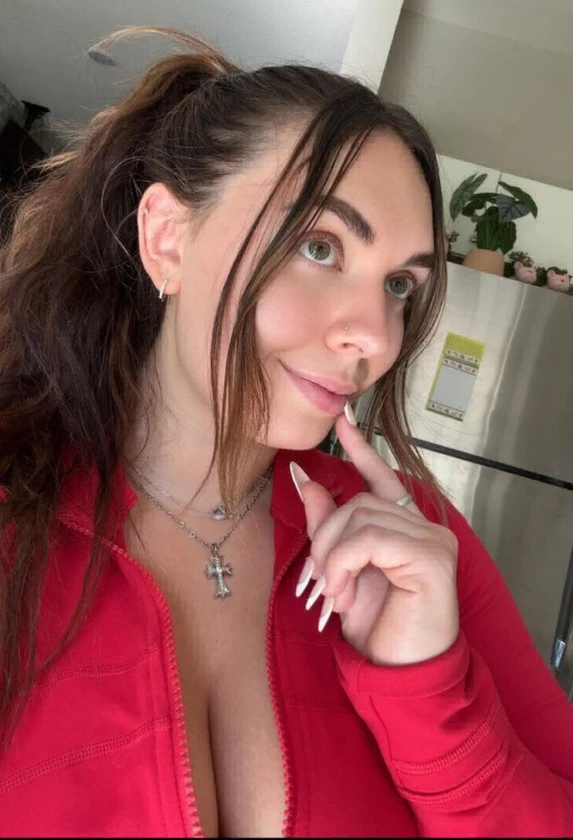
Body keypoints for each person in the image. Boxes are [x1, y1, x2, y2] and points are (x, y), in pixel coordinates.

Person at [0, 25, 571, 839]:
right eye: (319, 245)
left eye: (399, 285)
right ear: (168, 238)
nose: (373, 335)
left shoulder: (416, 540)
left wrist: (427, 685)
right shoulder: (17, 518)